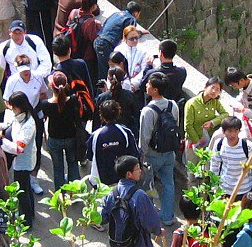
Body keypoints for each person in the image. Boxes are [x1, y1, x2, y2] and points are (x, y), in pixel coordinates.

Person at [138, 73, 180, 227]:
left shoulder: (148, 111)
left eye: (149, 84)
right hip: (169, 152)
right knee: (169, 183)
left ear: (155, 90)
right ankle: (168, 216)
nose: (146, 86)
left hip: (152, 155)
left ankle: (149, 217)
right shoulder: (173, 105)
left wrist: (141, 156)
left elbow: (144, 137)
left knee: (148, 185)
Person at [1, 91, 39, 228]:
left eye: (13, 107)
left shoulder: (28, 124)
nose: (12, 109)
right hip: (22, 160)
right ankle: (31, 214)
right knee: (27, 188)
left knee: (22, 192)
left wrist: (1, 141)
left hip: (24, 162)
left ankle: (26, 221)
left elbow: (18, 148)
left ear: (19, 107)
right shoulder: (21, 116)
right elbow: (9, 123)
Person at [41, 72, 84, 192]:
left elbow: (43, 117)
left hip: (54, 139)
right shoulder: (73, 100)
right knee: (73, 165)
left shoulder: (46, 104)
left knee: (58, 168)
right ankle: (75, 193)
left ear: (51, 86)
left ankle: (61, 195)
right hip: (71, 137)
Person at [87, 99, 139, 190]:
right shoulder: (126, 132)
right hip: (123, 182)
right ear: (118, 112)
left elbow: (90, 156)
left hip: (100, 183)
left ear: (101, 115)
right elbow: (134, 154)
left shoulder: (95, 135)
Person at [208, 116, 252, 197]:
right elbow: (214, 166)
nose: (233, 135)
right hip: (224, 190)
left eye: (236, 131)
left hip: (244, 191)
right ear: (223, 131)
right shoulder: (219, 144)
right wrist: (214, 188)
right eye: (229, 131)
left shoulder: (247, 146)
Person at [95, 1, 143, 83]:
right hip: (106, 44)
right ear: (135, 13)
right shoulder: (131, 19)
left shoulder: (116, 14)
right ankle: (102, 94)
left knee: (103, 71)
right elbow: (130, 34)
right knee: (107, 73)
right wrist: (139, 34)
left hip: (98, 40)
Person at [184, 77, 228, 154]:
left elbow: (225, 114)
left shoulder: (215, 102)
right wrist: (197, 140)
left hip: (208, 138)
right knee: (192, 163)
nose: (214, 91)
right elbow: (188, 126)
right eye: (212, 87)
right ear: (205, 87)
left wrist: (212, 122)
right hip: (193, 139)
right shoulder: (192, 103)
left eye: (217, 90)